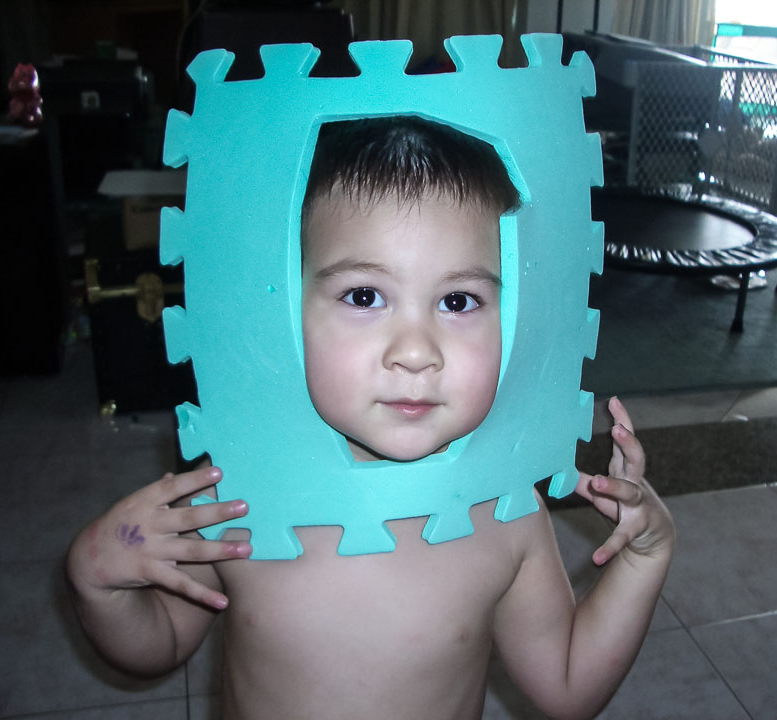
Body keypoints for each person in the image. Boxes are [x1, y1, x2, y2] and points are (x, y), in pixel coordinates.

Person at [66, 117, 675, 720]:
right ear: (281, 307)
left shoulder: (505, 511)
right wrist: (100, 582)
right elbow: (161, 643)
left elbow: (568, 689)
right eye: (364, 296)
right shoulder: (238, 488)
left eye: (458, 301)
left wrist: (645, 556)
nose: (415, 352)